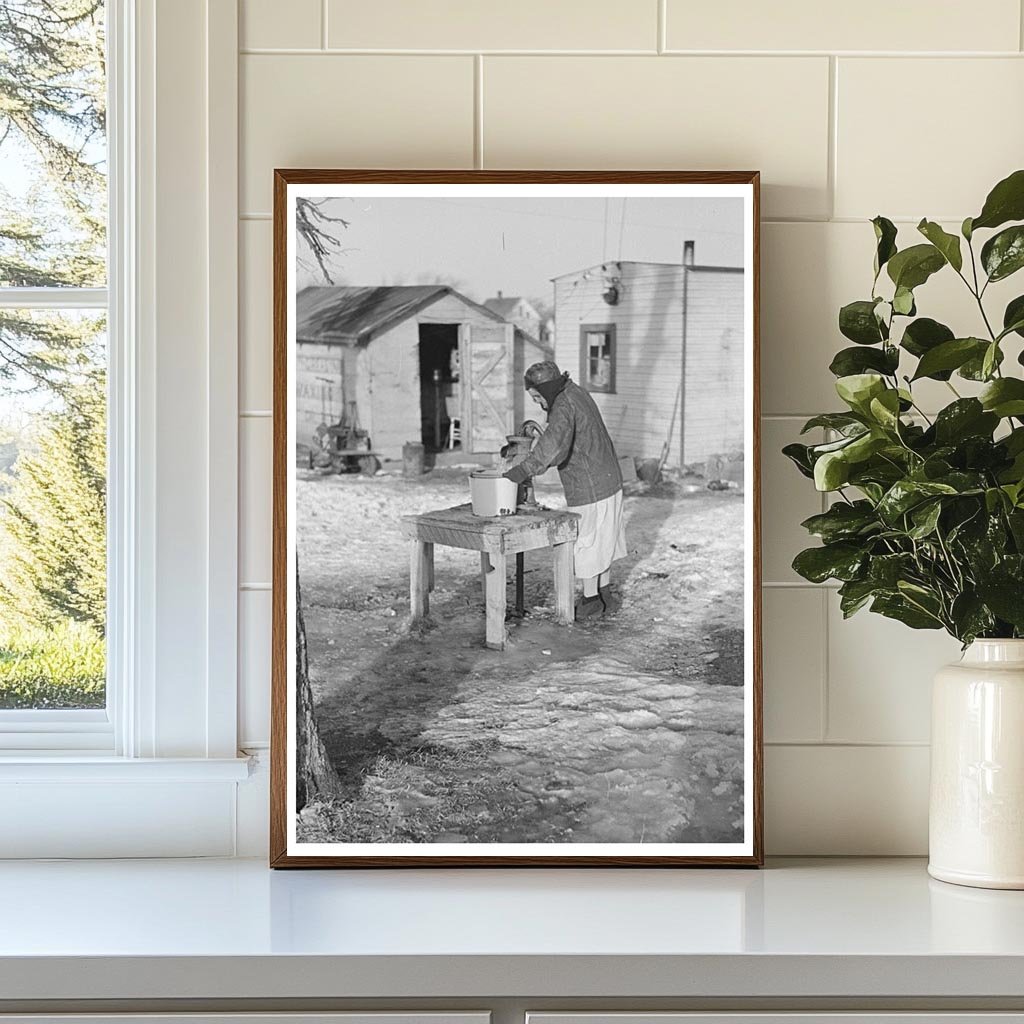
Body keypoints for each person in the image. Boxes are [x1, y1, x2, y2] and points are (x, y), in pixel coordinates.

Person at [503, 361, 627, 620]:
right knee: (605, 540)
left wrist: (520, 471)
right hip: (608, 477)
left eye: (538, 397)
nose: (538, 403)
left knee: (588, 542)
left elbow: (553, 448)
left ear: (547, 389)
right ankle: (605, 597)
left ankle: (591, 602)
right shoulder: (575, 391)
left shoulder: (562, 405)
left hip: (589, 483)